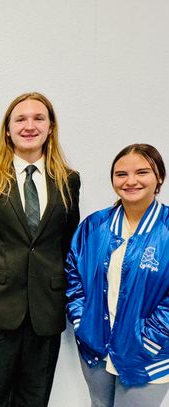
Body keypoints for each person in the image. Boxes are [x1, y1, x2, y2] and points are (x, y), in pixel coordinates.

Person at [0, 92, 80, 407]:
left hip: (46, 310)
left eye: (38, 118)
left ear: (51, 128)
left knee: (35, 398)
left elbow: (68, 245)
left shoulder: (68, 181)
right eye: (20, 119)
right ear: (7, 129)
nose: (29, 125)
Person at [66, 144, 169, 407]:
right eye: (121, 174)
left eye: (142, 172)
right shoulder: (94, 225)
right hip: (96, 346)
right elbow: (72, 276)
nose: (130, 181)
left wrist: (148, 339)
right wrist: (81, 322)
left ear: (159, 177)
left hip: (149, 353)